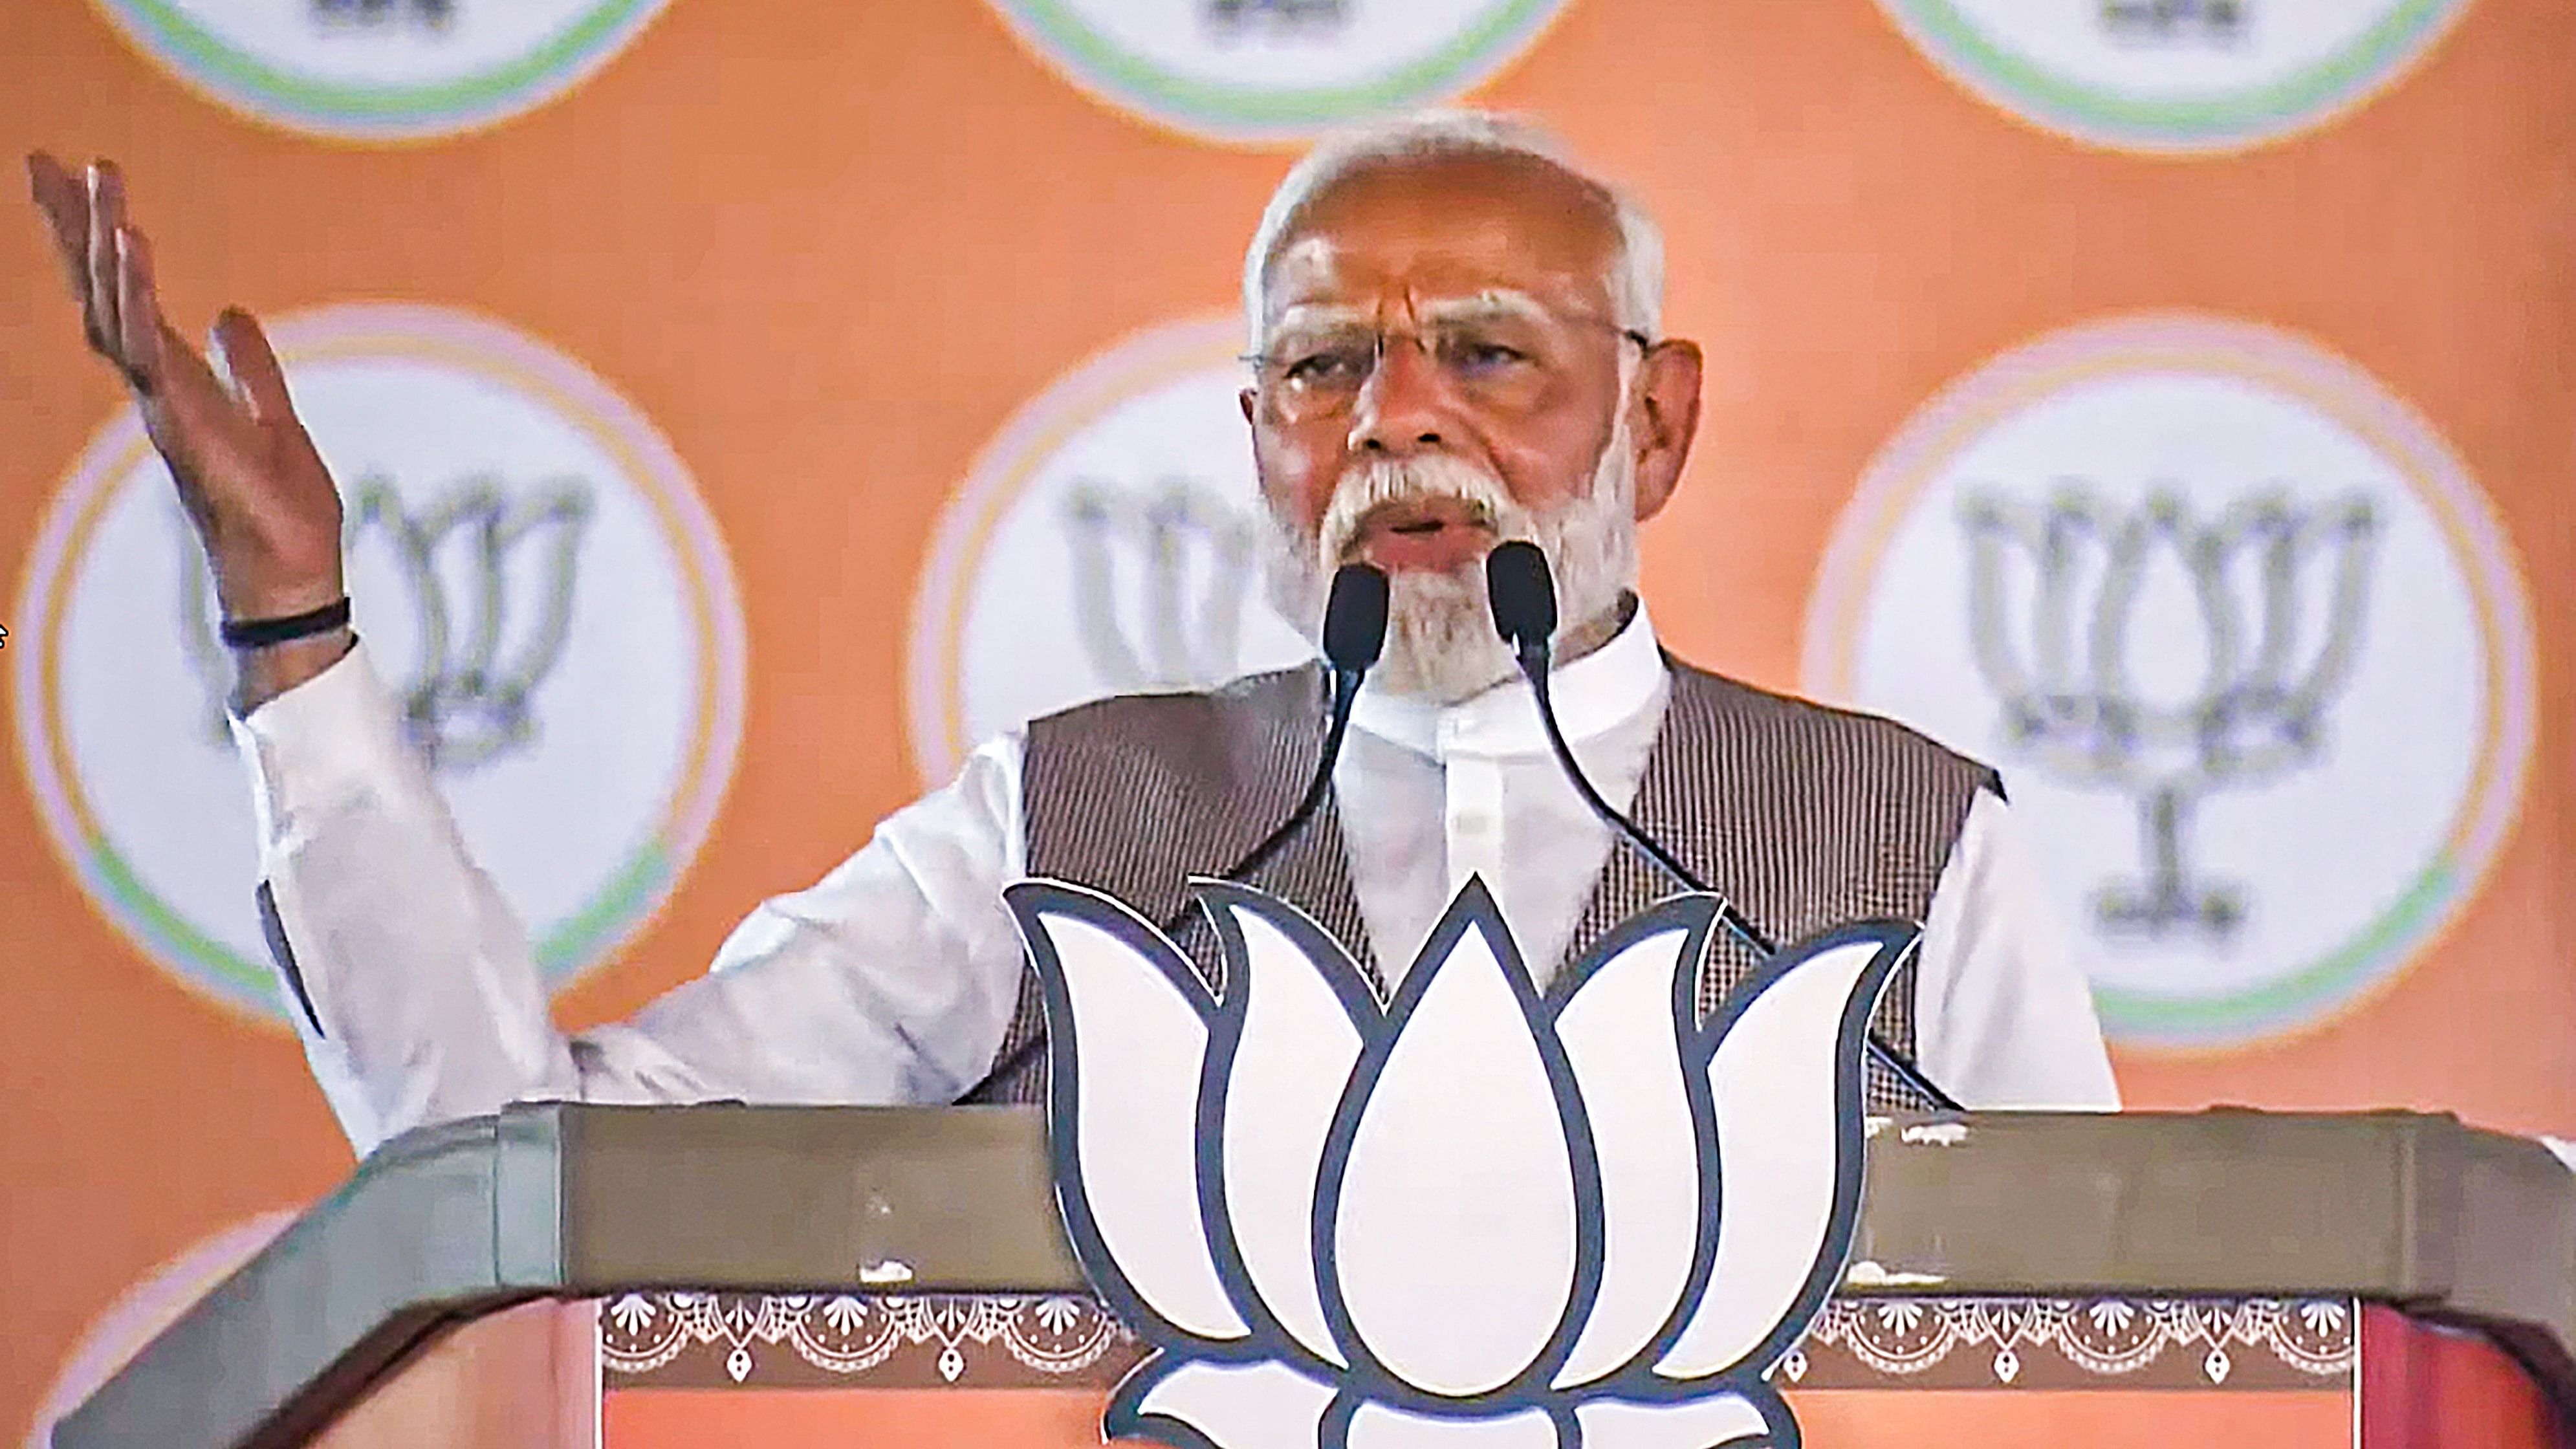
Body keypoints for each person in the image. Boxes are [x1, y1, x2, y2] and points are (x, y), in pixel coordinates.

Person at [25, 113, 2117, 1157]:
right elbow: (514, 1163)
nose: (1398, 417)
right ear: (1258, 441)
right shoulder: (1069, 818)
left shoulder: (1911, 846)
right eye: (1323, 373)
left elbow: (2143, 1356)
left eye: (1486, 354)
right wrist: (292, 627)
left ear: (1658, 421)